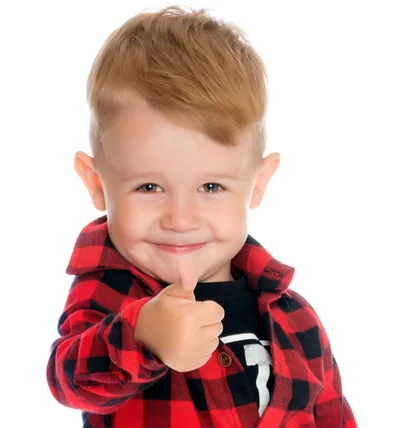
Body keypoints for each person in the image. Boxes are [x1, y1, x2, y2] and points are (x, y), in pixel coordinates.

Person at [45, 5, 356, 428]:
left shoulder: (296, 319)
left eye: (211, 188)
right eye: (149, 187)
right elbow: (69, 379)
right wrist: (143, 338)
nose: (180, 218)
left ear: (258, 183)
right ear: (97, 183)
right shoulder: (111, 292)